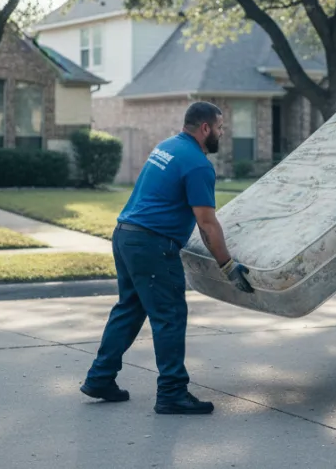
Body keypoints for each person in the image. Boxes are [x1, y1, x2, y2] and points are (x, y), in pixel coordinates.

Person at [81, 101, 254, 415]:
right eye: (220, 127)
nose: (222, 133)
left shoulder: (167, 146)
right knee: (170, 315)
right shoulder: (198, 164)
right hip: (151, 244)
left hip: (126, 235)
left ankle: (100, 378)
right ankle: (172, 392)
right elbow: (206, 222)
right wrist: (227, 265)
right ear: (205, 128)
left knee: (129, 309)